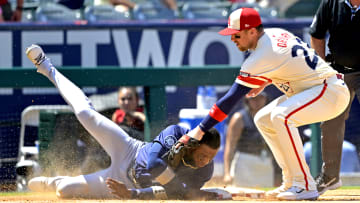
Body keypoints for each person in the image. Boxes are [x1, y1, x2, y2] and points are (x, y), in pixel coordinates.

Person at [169, 7, 350, 200]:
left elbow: (229, 100)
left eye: (237, 35)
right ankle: (290, 181)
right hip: (316, 89)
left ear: (252, 31)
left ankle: (304, 184)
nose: (233, 39)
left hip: (329, 91)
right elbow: (292, 62)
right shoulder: (277, 33)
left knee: (281, 116)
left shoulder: (259, 56)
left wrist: (200, 130)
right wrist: (267, 79)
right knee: (264, 119)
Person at [25, 44, 221, 200]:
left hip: (126, 184)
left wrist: (135, 194)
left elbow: (171, 195)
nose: (205, 161)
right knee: (85, 113)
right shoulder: (177, 133)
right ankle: (47, 67)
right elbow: (153, 164)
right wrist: (181, 190)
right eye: (203, 154)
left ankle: (54, 182)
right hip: (129, 152)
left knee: (65, 190)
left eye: (210, 157)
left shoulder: (204, 171)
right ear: (194, 144)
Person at [309, 0, 360, 195]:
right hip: (337, 70)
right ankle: (330, 176)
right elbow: (317, 34)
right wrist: (323, 70)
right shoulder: (331, 3)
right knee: (330, 120)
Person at [223, 92, 275, 187]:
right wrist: (227, 173)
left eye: (260, 98)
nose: (257, 101)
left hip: (265, 163)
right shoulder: (239, 118)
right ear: (247, 100)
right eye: (253, 98)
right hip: (244, 164)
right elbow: (230, 146)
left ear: (266, 99)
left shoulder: (271, 118)